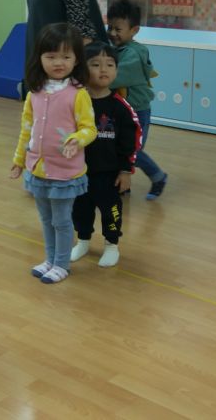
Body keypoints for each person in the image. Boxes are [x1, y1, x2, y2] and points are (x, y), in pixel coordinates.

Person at [10, 23, 96, 284]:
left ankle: (62, 264)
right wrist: (19, 160)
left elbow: (89, 128)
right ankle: (50, 259)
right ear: (39, 58)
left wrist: (77, 139)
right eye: (51, 56)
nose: (59, 62)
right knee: (46, 219)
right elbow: (27, 129)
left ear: (76, 59)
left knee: (61, 220)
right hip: (38, 168)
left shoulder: (78, 94)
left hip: (64, 172)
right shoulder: (34, 93)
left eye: (66, 56)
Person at [69, 42, 140, 268]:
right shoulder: (75, 101)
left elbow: (131, 141)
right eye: (96, 64)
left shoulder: (120, 107)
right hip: (79, 171)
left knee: (111, 210)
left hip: (109, 174)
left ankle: (111, 244)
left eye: (110, 65)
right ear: (83, 68)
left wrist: (126, 170)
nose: (103, 70)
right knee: (80, 209)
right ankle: (83, 241)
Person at [107, 0, 168, 200]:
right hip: (120, 110)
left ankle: (158, 177)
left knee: (131, 150)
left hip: (137, 111)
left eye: (118, 29)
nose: (112, 33)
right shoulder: (117, 48)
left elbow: (115, 77)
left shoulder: (134, 54)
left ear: (134, 30)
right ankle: (123, 185)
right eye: (110, 27)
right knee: (117, 148)